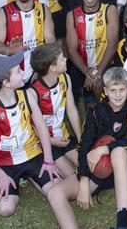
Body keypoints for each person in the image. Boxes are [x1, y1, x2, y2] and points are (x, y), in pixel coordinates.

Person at [46, 67, 127, 229]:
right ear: (105, 91)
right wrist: (84, 181)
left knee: (119, 152)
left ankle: (123, 221)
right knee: (54, 193)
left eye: (122, 89)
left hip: (124, 170)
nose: (118, 94)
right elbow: (85, 145)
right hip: (99, 169)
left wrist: (105, 149)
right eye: (113, 90)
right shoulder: (95, 111)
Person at [0, 52, 62, 217]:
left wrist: (48, 160)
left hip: (33, 154)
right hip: (6, 163)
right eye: (17, 71)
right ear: (6, 83)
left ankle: (30, 175)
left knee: (55, 191)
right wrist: (0, 176)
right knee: (5, 209)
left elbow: (41, 127)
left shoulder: (27, 96)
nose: (23, 72)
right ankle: (19, 177)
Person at [0, 0, 56, 82]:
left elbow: (50, 41)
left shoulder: (43, 10)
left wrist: (41, 67)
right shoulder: (3, 12)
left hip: (38, 69)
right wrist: (11, 50)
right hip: (13, 71)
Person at [30, 43, 82, 176]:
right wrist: (51, 141)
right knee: (72, 176)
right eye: (62, 58)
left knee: (85, 167)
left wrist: (80, 138)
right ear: (52, 68)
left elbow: (71, 109)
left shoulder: (65, 78)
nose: (66, 59)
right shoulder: (33, 92)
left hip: (63, 138)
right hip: (45, 143)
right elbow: (29, 126)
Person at [66, 0, 119, 107]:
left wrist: (97, 73)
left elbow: (112, 45)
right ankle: (89, 99)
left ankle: (101, 111)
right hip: (83, 68)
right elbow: (71, 50)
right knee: (86, 103)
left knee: (99, 84)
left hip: (104, 65)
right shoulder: (72, 15)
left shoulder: (109, 10)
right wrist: (87, 73)